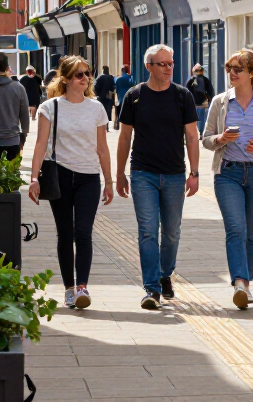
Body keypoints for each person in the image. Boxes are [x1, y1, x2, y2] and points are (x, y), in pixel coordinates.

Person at [115, 46, 201, 310]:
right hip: (143, 174)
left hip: (175, 174)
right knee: (148, 232)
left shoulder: (182, 96)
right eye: (162, 64)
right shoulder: (135, 96)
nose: (168, 68)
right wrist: (118, 174)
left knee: (172, 232)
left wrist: (194, 172)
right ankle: (151, 288)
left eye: (170, 63)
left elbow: (191, 136)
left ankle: (165, 275)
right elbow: (124, 137)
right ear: (149, 66)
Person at [27, 56, 114, 310]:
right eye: (79, 74)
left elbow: (102, 148)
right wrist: (34, 178)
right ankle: (68, 288)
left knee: (83, 233)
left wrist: (109, 181)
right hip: (60, 177)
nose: (85, 78)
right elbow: (41, 145)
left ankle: (83, 287)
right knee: (65, 234)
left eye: (87, 73)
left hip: (89, 177)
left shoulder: (96, 108)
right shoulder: (50, 107)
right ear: (65, 79)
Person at [202, 50, 253, 309]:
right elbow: (206, 138)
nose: (233, 73)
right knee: (235, 229)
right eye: (230, 69)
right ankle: (239, 282)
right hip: (228, 173)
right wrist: (220, 139)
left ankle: (246, 284)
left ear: (251, 74)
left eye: (238, 69)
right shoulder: (220, 102)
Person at [185, 64, 214, 132]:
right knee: (201, 119)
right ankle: (200, 132)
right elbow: (211, 91)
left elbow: (186, 91)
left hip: (193, 103)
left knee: (192, 120)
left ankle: (194, 132)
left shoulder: (190, 80)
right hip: (202, 103)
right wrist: (208, 100)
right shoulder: (205, 80)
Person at [113, 64, 134, 130]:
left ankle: (118, 125)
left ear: (122, 71)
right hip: (129, 99)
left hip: (120, 99)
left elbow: (115, 89)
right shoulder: (130, 79)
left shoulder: (118, 79)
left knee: (119, 113)